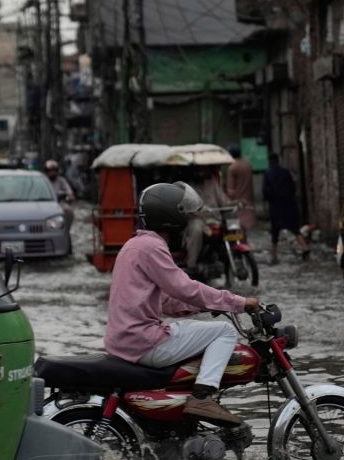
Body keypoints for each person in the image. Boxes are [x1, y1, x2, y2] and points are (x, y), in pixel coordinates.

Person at [105, 181, 260, 426]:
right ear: (171, 217)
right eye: (184, 215)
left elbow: (165, 301)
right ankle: (203, 397)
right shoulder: (152, 246)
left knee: (201, 329)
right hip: (143, 341)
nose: (187, 221)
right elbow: (186, 288)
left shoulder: (133, 245)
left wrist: (206, 305)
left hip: (125, 340)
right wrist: (238, 302)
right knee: (225, 331)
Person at [262, 153, 310, 265]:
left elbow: (265, 191)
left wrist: (270, 200)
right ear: (278, 161)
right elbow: (292, 187)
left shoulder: (268, 174)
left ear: (270, 162)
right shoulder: (286, 172)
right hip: (289, 204)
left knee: (275, 231)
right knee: (294, 228)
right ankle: (305, 247)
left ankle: (274, 256)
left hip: (276, 206)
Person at [184, 166, 230, 270]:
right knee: (196, 230)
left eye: (203, 170)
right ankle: (191, 264)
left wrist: (235, 203)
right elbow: (188, 206)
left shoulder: (212, 183)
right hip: (197, 219)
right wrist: (199, 209)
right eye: (199, 170)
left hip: (215, 219)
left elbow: (223, 200)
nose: (201, 172)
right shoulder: (188, 187)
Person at [225, 145, 256, 230]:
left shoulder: (232, 168)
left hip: (238, 203)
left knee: (237, 229)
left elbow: (231, 191)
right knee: (247, 228)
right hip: (249, 201)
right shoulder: (248, 165)